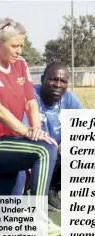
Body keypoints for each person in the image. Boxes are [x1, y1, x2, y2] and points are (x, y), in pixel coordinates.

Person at [0, 17, 61, 236]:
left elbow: (31, 102)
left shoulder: (21, 65)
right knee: (45, 150)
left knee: (1, 220)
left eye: (21, 45)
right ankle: (39, 219)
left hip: (13, 144)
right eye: (15, 46)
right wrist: (28, 133)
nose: (19, 50)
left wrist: (36, 130)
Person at [12, 61, 82, 212]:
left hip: (55, 154)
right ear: (43, 79)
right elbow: (22, 131)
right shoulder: (30, 97)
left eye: (63, 81)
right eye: (53, 79)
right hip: (30, 153)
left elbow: (82, 129)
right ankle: (23, 190)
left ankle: (52, 191)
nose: (58, 84)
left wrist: (69, 141)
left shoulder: (69, 99)